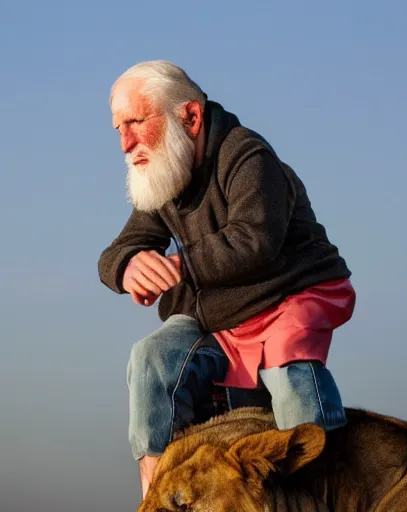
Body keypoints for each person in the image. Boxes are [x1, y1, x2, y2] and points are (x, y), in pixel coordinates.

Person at [98, 60, 356, 499]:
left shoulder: (248, 155)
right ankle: (157, 493)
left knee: (290, 377)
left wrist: (178, 267)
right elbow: (118, 250)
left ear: (191, 118)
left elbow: (255, 240)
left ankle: (322, 493)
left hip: (285, 297)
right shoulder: (165, 175)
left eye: (137, 122)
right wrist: (128, 267)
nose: (126, 143)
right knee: (150, 359)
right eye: (119, 128)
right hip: (216, 316)